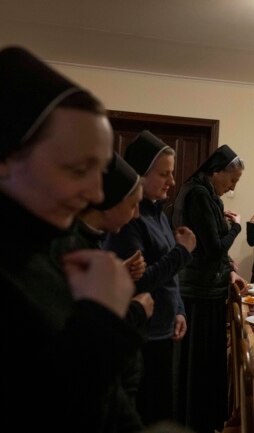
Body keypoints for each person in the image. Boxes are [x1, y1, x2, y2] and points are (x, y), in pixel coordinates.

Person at [0, 46, 142, 432]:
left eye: (100, 170)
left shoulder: (61, 240)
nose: (97, 194)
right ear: (7, 158)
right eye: (79, 169)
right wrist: (102, 318)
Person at [104, 130, 197, 426]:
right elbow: (140, 282)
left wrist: (179, 308)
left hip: (164, 329)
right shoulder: (130, 220)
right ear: (141, 176)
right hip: (144, 335)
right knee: (149, 415)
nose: (172, 181)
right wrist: (182, 252)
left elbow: (168, 275)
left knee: (164, 409)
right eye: (164, 174)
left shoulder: (158, 212)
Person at [51, 152, 154, 408]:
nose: (136, 214)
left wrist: (119, 272)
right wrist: (138, 310)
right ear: (109, 201)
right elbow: (86, 330)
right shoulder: (72, 248)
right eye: (132, 205)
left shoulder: (91, 238)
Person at [170, 144, 246, 433]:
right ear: (217, 172)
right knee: (198, 361)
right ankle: (195, 420)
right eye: (232, 180)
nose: (233, 186)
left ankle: (205, 418)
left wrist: (228, 271)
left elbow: (215, 244)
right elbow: (214, 247)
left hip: (208, 287)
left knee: (207, 359)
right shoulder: (198, 194)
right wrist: (238, 227)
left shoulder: (208, 194)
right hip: (197, 291)